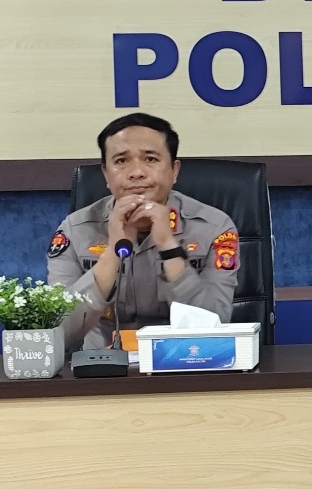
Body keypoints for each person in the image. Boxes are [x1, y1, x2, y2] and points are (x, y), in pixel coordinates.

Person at [47, 113, 239, 350]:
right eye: (121, 161)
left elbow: (214, 327)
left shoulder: (214, 228)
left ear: (174, 170)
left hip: (183, 362)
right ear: (106, 174)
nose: (136, 172)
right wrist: (113, 251)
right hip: (102, 366)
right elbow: (59, 335)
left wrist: (169, 246)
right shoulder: (75, 230)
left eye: (150, 159)